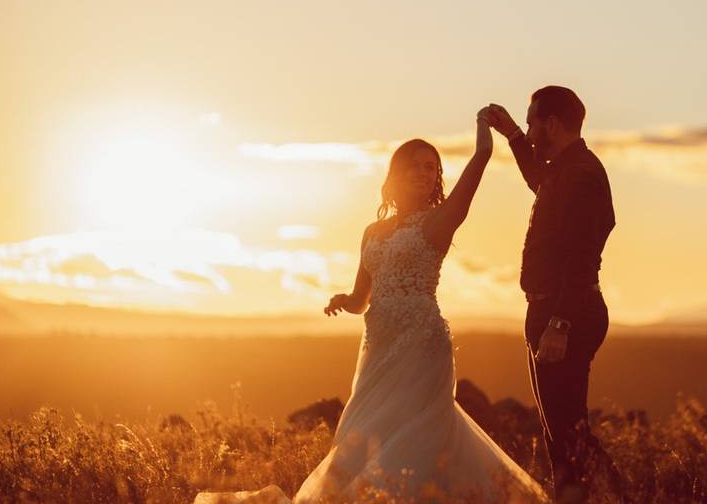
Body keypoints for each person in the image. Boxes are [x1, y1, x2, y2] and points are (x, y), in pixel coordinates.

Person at [194, 109, 547, 504]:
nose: (424, 172)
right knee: (363, 433)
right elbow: (362, 299)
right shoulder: (372, 232)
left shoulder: (439, 222)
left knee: (418, 433)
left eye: (431, 167)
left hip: (422, 345)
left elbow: (480, 160)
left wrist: (484, 129)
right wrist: (344, 300)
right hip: (377, 348)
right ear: (395, 175)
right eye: (414, 166)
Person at [484, 87, 625, 503]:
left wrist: (559, 324)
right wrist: (511, 135)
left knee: (569, 435)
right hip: (550, 311)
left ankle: (615, 497)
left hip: (566, 315)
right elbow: (537, 180)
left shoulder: (581, 176)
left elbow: (583, 260)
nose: (529, 131)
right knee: (560, 434)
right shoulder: (565, 170)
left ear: (552, 123)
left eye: (530, 123)